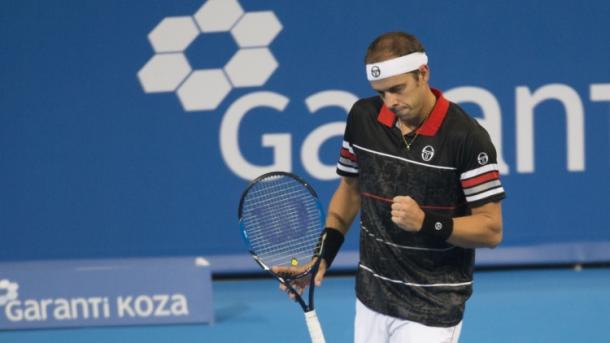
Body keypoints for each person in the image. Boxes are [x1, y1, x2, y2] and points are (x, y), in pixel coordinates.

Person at [282, 31, 506, 343]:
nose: (391, 102)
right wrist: (323, 256)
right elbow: (349, 191)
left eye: (398, 89)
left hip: (432, 307)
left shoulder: (467, 138)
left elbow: (491, 229)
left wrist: (427, 223)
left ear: (423, 73)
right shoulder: (363, 118)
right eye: (382, 92)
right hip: (372, 298)